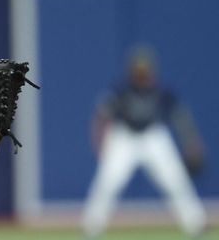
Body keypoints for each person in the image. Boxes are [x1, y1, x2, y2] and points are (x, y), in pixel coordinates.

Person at [82, 45, 207, 237]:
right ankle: (91, 227)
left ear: (151, 69)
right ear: (132, 70)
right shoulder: (120, 90)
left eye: (144, 69)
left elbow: (181, 118)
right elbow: (101, 116)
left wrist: (192, 142)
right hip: (124, 138)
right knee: (107, 183)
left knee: (176, 181)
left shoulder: (162, 92)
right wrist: (100, 142)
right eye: (138, 70)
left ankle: (195, 224)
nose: (141, 73)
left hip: (153, 136)